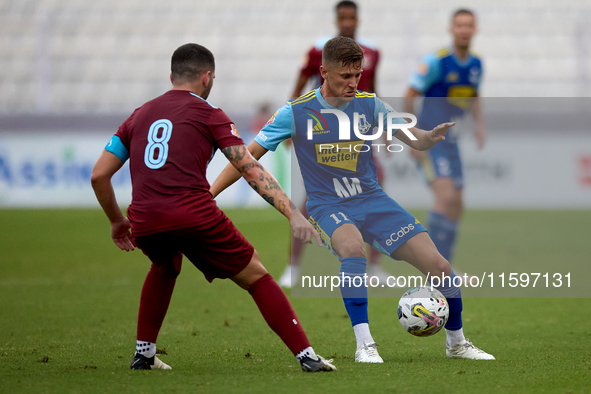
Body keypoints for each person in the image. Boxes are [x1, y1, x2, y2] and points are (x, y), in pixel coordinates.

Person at [211, 37, 494, 363]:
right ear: (324, 72)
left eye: (357, 75)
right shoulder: (296, 112)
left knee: (441, 266)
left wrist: (428, 137)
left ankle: (456, 343)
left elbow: (411, 137)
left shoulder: (369, 103)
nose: (352, 83)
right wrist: (209, 194)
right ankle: (365, 345)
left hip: (373, 201)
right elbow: (245, 158)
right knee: (354, 250)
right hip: (327, 205)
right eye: (345, 76)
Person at [90, 43, 336, 372]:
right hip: (194, 213)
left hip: (144, 219)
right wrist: (292, 213)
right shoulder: (210, 114)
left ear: (172, 76)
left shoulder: (139, 115)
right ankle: (308, 357)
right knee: (257, 276)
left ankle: (144, 353)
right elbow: (249, 167)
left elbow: (98, 175)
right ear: (207, 78)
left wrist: (117, 221)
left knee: (165, 266)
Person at [280, 0, 388, 288]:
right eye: (343, 17)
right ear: (336, 20)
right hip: (324, 129)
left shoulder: (372, 52)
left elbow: (373, 90)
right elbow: (300, 85)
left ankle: (373, 266)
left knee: (377, 184)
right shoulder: (319, 50)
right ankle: (293, 265)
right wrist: (290, 125)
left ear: (358, 19)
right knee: (313, 197)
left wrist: (385, 127)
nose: (348, 22)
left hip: (358, 130)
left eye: (352, 17)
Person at [404, 9, 485, 275]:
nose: (464, 29)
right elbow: (410, 93)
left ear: (475, 29)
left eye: (468, 25)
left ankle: (445, 265)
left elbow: (474, 96)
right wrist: (412, 135)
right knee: (445, 196)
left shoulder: (476, 65)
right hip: (430, 141)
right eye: (459, 25)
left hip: (453, 144)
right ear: (451, 29)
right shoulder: (437, 62)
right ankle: (433, 267)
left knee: (458, 204)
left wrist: (479, 125)